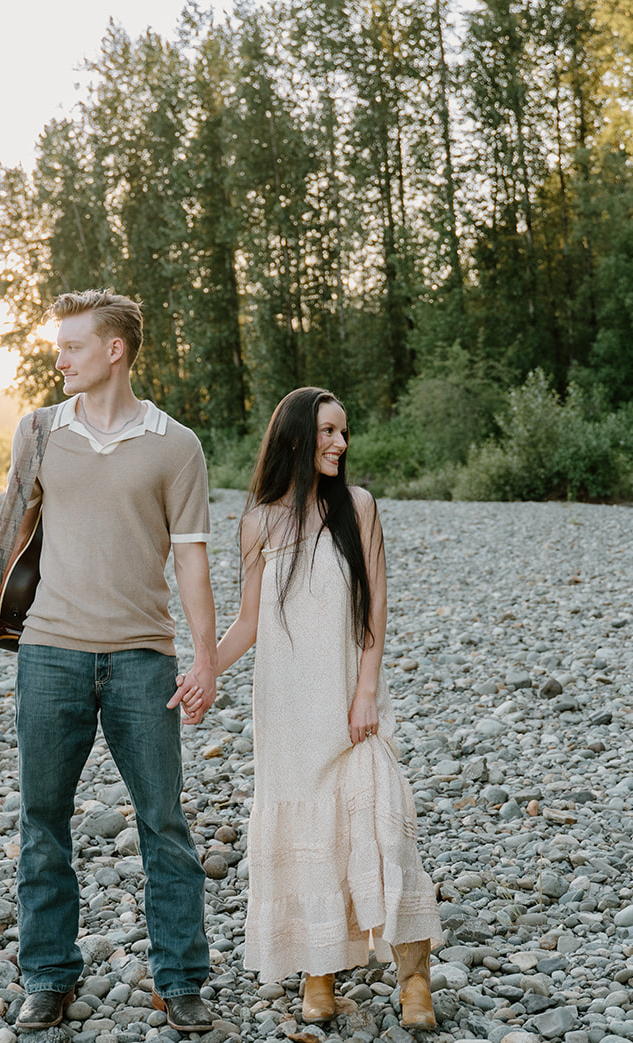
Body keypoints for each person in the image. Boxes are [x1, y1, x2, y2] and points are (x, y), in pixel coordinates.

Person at [0, 289, 219, 1033]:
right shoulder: (40, 432)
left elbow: (191, 563)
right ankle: (48, 978)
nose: (59, 357)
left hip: (143, 659)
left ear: (114, 350)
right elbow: (8, 545)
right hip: (49, 654)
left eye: (74, 345)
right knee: (42, 821)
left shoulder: (176, 445)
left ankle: (181, 979)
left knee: (164, 823)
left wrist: (206, 657)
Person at [215, 387, 443, 1028]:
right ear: (294, 436)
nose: (341, 444)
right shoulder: (259, 522)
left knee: (385, 830)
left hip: (350, 700)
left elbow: (375, 608)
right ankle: (318, 978)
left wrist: (366, 688)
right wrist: (203, 667)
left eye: (344, 432)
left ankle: (415, 981)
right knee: (311, 835)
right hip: (287, 708)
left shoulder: (360, 508)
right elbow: (249, 622)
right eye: (328, 432)